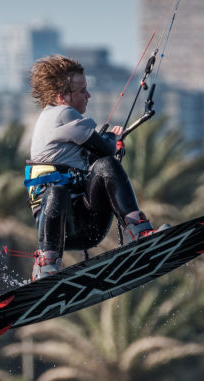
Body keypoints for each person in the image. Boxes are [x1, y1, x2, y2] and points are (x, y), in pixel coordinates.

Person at [26, 55, 168, 280]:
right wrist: (113, 139)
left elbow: (96, 160)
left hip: (87, 224)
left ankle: (139, 231)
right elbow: (105, 149)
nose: (88, 95)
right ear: (62, 97)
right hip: (60, 230)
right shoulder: (62, 114)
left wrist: (108, 145)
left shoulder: (53, 118)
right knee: (58, 189)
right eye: (82, 91)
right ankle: (46, 262)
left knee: (104, 166)